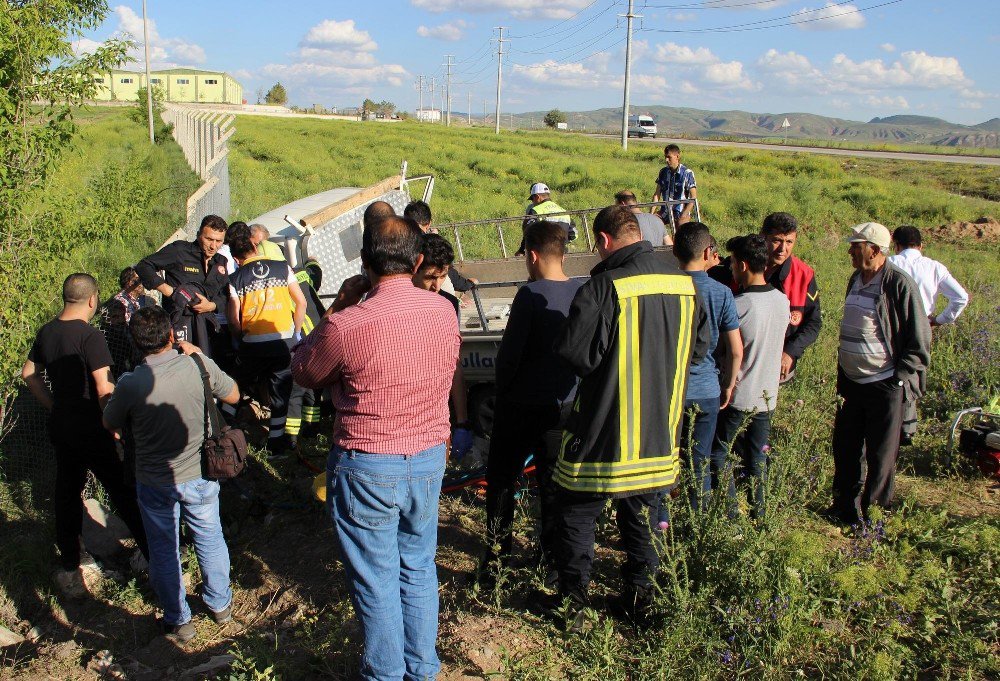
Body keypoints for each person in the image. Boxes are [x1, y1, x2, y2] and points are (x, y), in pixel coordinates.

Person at [291, 216, 461, 681]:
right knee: (419, 567)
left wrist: (337, 307)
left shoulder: (348, 324)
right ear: (419, 259)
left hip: (367, 462)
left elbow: (305, 371)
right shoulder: (443, 311)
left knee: (375, 579)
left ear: (364, 261)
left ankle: (384, 673)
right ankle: (422, 669)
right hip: (427, 457)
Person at [549, 205, 709, 626]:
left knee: (576, 511)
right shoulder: (687, 284)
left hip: (606, 428)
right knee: (641, 515)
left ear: (603, 241)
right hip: (660, 431)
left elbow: (577, 356)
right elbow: (698, 350)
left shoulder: (605, 287)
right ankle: (642, 602)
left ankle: (575, 605)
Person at [103, 306, 240, 643]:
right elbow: (234, 394)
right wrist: (198, 355)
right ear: (171, 336)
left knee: (164, 549)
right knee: (209, 535)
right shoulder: (198, 365)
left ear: (136, 343)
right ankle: (220, 605)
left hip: (155, 480)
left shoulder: (131, 384)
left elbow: (109, 422)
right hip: (202, 471)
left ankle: (179, 621)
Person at [20, 274, 149, 598]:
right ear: (92, 300)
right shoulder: (90, 336)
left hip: (63, 424)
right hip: (93, 424)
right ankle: (152, 554)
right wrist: (116, 423)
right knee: (122, 490)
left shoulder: (47, 332)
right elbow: (104, 388)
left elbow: (28, 374)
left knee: (67, 491)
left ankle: (70, 561)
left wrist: (53, 405)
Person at [480, 221, 584, 583]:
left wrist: (502, 393)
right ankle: (550, 561)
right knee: (553, 487)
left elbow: (509, 357)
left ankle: (496, 562)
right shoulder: (581, 291)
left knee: (502, 482)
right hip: (563, 406)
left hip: (521, 406)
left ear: (533, 255)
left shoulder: (529, 295)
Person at [829, 222, 931, 526]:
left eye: (855, 245)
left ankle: (873, 516)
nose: (849, 250)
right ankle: (844, 507)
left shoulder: (899, 283)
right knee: (845, 448)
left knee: (880, 455)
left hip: (884, 384)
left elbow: (919, 339)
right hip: (852, 382)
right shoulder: (856, 279)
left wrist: (898, 378)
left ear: (873, 249)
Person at [710, 235, 789, 520]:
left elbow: (732, 352)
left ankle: (730, 516)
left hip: (739, 395)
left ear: (742, 265)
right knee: (757, 459)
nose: (730, 269)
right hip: (767, 396)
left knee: (717, 455)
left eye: (731, 263)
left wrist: (727, 385)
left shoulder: (737, 304)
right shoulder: (782, 300)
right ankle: (760, 515)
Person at [667, 223, 742, 521]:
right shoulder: (721, 293)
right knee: (701, 461)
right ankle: (697, 523)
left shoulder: (664, 286)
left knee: (665, 461)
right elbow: (735, 349)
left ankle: (661, 523)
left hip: (669, 391)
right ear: (709, 252)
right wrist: (728, 384)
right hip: (706, 388)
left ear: (674, 251)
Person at [709, 212, 821, 384]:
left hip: (776, 368)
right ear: (763, 237)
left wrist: (791, 352)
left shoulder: (803, 275)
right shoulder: (738, 267)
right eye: (777, 240)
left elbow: (813, 322)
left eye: (789, 242)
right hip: (732, 366)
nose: (783, 249)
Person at [226, 233, 306, 455]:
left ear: (235, 258)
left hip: (252, 345)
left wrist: (240, 338)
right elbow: (301, 302)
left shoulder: (236, 279)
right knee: (280, 393)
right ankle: (276, 443)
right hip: (283, 343)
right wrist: (296, 333)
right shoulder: (282, 267)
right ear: (255, 246)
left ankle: (224, 427)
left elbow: (233, 320)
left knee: (236, 385)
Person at [889, 225, 969, 445]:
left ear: (896, 244)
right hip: (922, 324)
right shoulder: (934, 267)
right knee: (913, 371)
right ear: (921, 245)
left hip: (893, 325)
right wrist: (939, 320)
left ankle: (895, 422)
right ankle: (908, 426)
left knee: (892, 371)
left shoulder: (891, 263)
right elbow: (961, 297)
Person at [410, 233, 473, 462]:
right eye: (429, 278)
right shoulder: (399, 306)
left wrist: (462, 421)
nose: (436, 286)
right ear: (414, 268)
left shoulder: (448, 303)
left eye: (443, 276)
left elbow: (453, 363)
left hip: (437, 416)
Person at [134, 215, 230, 357]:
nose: (213, 246)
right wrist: (169, 291)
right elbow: (144, 266)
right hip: (179, 329)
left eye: (218, 241)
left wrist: (212, 305)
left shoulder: (221, 262)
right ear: (198, 235)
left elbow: (224, 293)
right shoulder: (179, 251)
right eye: (209, 239)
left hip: (209, 330)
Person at [285, 260, 327, 450]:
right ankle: (312, 429)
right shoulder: (303, 274)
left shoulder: (280, 283)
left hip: (304, 341)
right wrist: (312, 261)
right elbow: (315, 273)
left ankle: (291, 438)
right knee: (314, 391)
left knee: (295, 393)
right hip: (322, 337)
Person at [404, 200, 478, 298]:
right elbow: (446, 271)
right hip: (435, 299)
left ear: (404, 222)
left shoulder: (396, 245)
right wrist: (467, 284)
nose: (437, 286)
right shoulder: (430, 244)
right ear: (429, 223)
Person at [102, 266, 155, 378]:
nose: (141, 283)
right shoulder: (120, 301)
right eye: (137, 280)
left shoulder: (132, 299)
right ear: (128, 283)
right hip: (123, 351)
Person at [516, 182, 573, 255]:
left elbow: (528, 232)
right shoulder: (563, 211)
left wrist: (522, 250)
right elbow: (573, 234)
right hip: (562, 252)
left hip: (544, 253)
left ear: (537, 197)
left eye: (532, 199)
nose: (533, 202)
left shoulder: (536, 211)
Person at [651, 144, 697, 227]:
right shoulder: (663, 172)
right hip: (665, 211)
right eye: (665, 157)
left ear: (677, 156)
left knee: (679, 230)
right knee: (651, 223)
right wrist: (651, 214)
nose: (666, 160)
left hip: (680, 211)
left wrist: (684, 215)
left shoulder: (687, 173)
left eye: (669, 157)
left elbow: (693, 197)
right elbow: (657, 194)